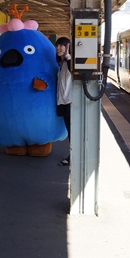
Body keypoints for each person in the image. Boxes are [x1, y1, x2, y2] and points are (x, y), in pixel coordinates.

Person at [55, 37, 72, 166]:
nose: (58, 48)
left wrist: (68, 56)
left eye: (61, 46)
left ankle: (73, 157)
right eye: (57, 46)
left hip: (70, 102)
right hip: (63, 101)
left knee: (72, 132)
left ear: (68, 46)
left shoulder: (71, 62)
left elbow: (73, 70)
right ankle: (73, 155)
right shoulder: (61, 64)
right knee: (70, 131)